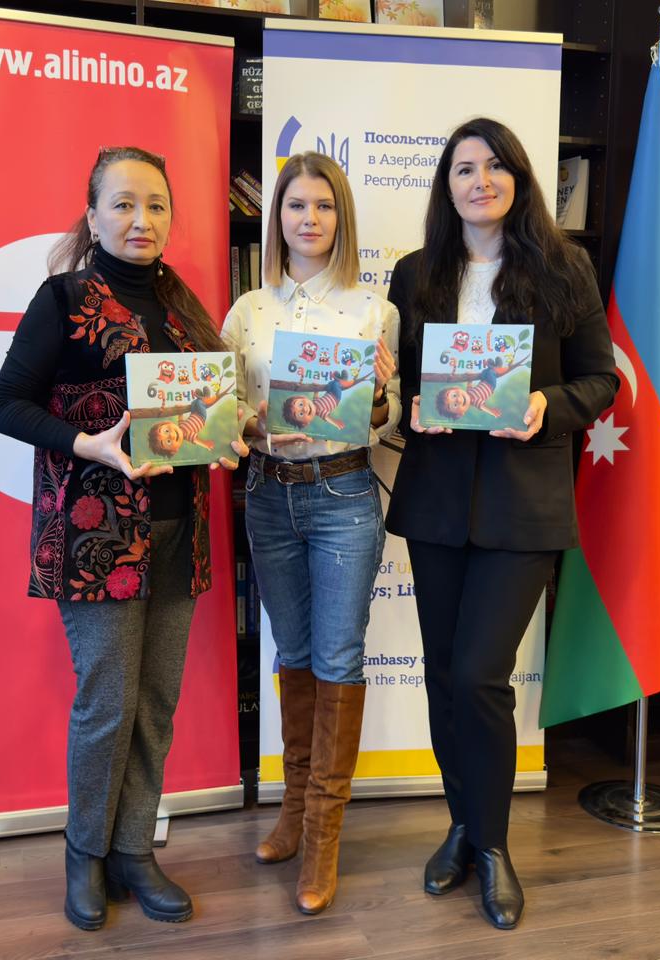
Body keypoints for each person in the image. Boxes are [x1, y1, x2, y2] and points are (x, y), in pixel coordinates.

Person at [0, 145, 244, 932]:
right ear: (93, 216)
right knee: (108, 703)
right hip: (96, 539)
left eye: (156, 205)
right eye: (124, 204)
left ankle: (134, 850)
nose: (141, 219)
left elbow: (201, 411)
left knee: (156, 702)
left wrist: (232, 427)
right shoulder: (64, 298)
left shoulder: (183, 304)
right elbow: (4, 403)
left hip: (178, 531)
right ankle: (85, 853)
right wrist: (85, 444)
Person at [385, 118, 618, 930]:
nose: (478, 181)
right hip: (437, 503)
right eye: (462, 169)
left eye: (492, 166)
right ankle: (462, 825)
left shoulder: (563, 266)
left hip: (524, 505)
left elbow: (601, 380)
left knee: (482, 675)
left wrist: (546, 405)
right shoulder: (415, 273)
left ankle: (492, 847)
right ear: (445, 185)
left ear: (517, 178)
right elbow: (401, 391)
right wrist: (410, 408)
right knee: (443, 675)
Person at [221, 151, 399, 915]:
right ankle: (292, 812)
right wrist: (248, 420)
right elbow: (222, 410)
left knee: (337, 658)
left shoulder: (373, 311)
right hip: (267, 494)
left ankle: (324, 835)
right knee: (292, 655)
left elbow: (388, 420)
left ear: (341, 218)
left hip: (344, 493)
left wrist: (381, 394)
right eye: (297, 205)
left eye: (324, 206)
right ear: (278, 217)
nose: (310, 218)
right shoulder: (246, 311)